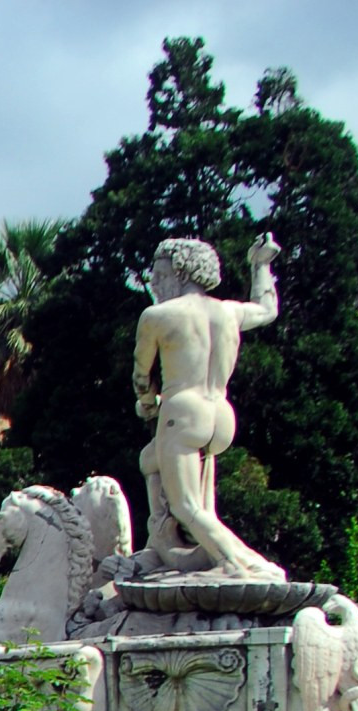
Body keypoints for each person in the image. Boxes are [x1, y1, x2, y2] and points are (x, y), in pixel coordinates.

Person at [132, 232, 287, 581]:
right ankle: (166, 545)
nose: (155, 282)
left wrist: (147, 403)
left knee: (188, 506)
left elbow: (141, 376)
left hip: (182, 412)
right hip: (220, 415)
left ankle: (245, 566)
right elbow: (267, 310)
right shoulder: (229, 313)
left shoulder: (157, 316)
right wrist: (260, 265)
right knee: (151, 462)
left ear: (181, 271)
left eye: (160, 274)